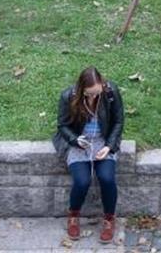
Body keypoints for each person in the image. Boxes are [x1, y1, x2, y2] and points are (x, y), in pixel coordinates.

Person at [51, 66, 125, 243]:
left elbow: (118, 121)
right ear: (81, 88)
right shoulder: (68, 96)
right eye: (89, 94)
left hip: (103, 140)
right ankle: (74, 214)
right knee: (82, 181)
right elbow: (62, 125)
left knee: (106, 178)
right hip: (79, 142)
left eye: (96, 93)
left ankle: (109, 218)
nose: (93, 97)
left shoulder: (110, 92)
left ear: (102, 84)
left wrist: (109, 146)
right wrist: (76, 140)